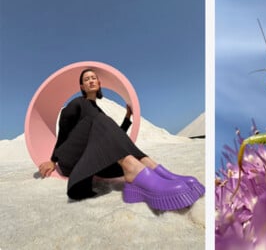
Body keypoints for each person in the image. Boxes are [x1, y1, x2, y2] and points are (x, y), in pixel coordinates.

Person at [37, 68, 204, 211]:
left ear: (99, 83)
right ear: (82, 86)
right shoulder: (77, 104)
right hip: (70, 159)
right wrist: (53, 160)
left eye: (94, 78)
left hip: (88, 158)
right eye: (86, 79)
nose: (91, 81)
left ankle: (151, 167)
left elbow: (114, 139)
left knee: (104, 122)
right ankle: (134, 170)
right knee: (101, 120)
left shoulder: (98, 113)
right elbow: (64, 132)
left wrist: (127, 117)